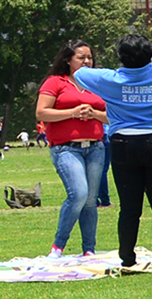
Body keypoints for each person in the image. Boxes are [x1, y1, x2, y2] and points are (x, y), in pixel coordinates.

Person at [74, 35, 152, 269]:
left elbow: (79, 74)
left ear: (121, 57)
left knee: (129, 208)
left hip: (124, 142)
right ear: (150, 54)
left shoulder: (110, 80)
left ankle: (127, 258)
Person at [36, 41, 108, 258]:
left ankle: (89, 249)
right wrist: (73, 112)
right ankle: (58, 247)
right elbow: (41, 113)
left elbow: (115, 116)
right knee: (78, 194)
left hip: (96, 148)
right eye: (81, 57)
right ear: (68, 59)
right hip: (66, 149)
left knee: (90, 200)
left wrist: (94, 114)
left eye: (89, 57)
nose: (87, 61)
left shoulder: (99, 84)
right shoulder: (56, 82)